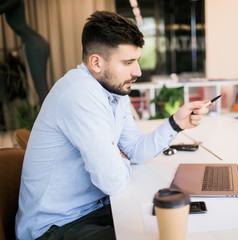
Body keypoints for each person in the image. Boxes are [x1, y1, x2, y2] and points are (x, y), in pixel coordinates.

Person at [15, 11, 210, 240]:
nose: (137, 72)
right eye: (128, 62)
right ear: (96, 62)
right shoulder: (79, 93)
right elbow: (112, 181)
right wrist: (120, 160)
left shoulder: (114, 91)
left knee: (178, 223)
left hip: (95, 209)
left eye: (137, 61)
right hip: (54, 227)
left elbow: (134, 149)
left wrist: (176, 123)